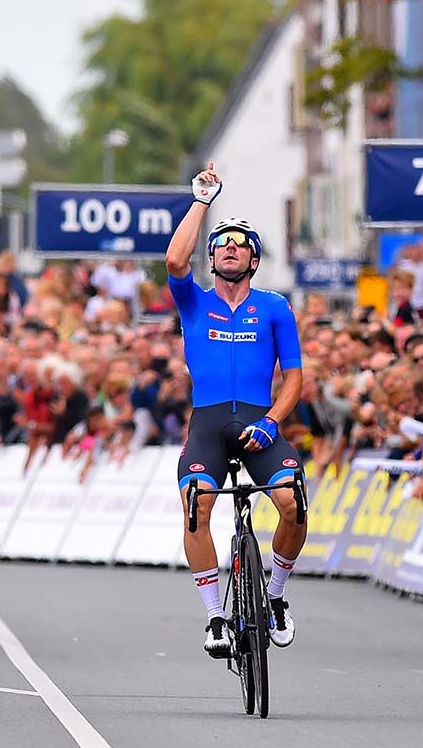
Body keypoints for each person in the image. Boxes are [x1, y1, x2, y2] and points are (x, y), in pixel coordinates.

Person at [165, 162, 306, 658]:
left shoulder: (274, 307)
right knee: (196, 508)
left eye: (240, 243)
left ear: (253, 258)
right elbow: (175, 261)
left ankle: (275, 597)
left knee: (294, 503)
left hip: (258, 422)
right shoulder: (194, 302)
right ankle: (215, 618)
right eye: (221, 243)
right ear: (212, 255)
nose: (229, 247)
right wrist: (203, 200)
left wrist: (271, 422)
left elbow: (294, 378)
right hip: (207, 422)